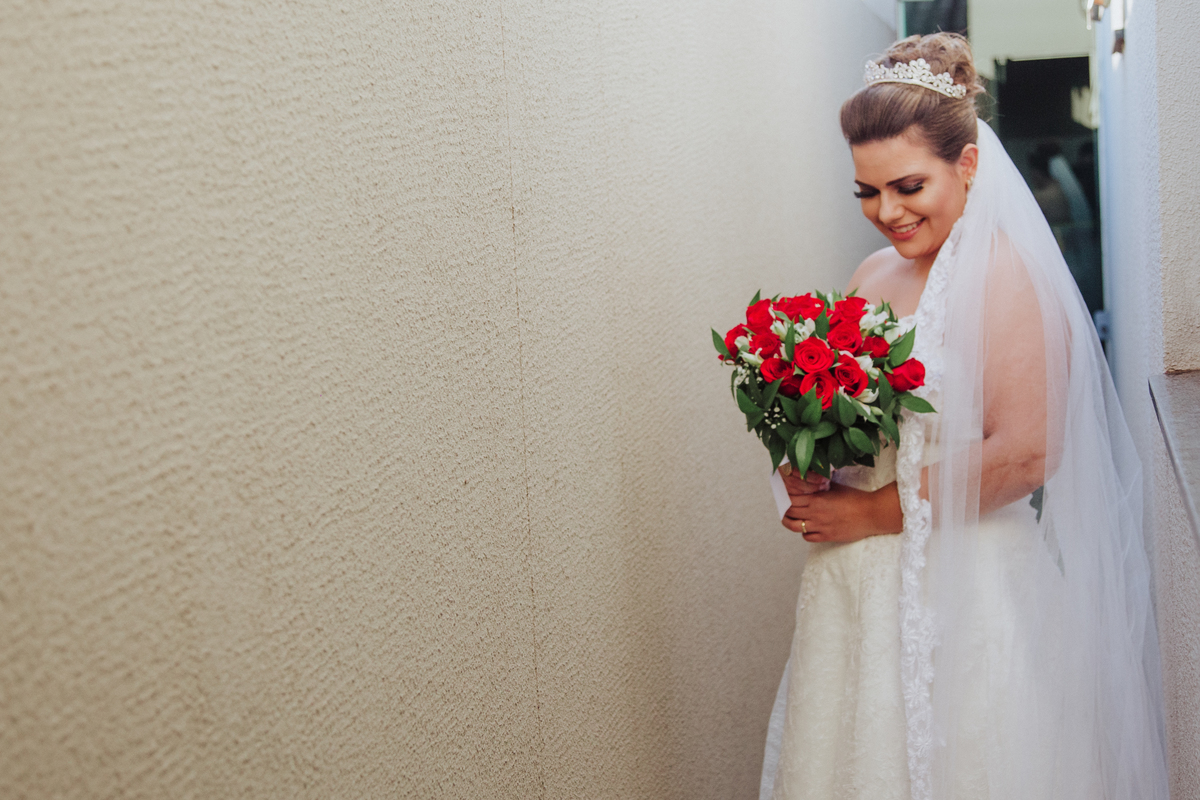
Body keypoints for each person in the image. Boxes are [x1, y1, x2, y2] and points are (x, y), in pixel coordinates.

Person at [758, 33, 1168, 800]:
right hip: (853, 595)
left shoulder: (1008, 276)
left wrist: (873, 512)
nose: (887, 211)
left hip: (966, 586)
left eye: (908, 186)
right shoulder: (871, 274)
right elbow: (856, 413)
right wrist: (809, 460)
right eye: (867, 192)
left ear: (968, 164)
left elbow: (1028, 453)